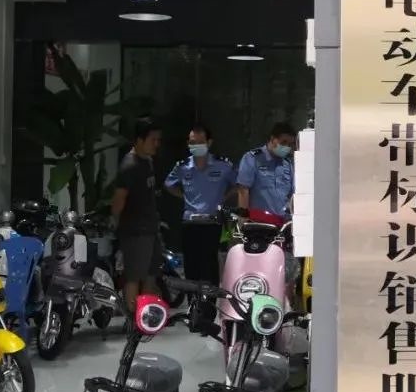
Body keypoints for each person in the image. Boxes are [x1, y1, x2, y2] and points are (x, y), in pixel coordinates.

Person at [164, 122, 237, 284]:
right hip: (190, 222)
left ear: (209, 143)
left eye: (200, 142)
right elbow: (169, 184)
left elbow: (238, 184)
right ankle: (193, 299)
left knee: (209, 265)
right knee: (191, 266)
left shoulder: (222, 165)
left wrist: (224, 197)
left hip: (212, 222)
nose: (196, 145)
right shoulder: (183, 166)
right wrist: (184, 196)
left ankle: (210, 299)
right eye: (192, 142)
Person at [110, 116, 163, 311]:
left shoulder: (147, 161)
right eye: (152, 140)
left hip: (151, 229)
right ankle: (132, 318)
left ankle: (146, 315)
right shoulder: (129, 165)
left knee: (151, 274)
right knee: (134, 276)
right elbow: (118, 200)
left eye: (158, 140)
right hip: (135, 231)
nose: (156, 144)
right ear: (139, 140)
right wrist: (117, 223)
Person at [237, 121, 295, 221]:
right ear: (272, 139)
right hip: (258, 222)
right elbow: (243, 190)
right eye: (283, 142)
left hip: (282, 223)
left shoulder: (287, 164)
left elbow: (292, 195)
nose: (286, 147)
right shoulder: (252, 158)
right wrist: (243, 219)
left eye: (289, 144)